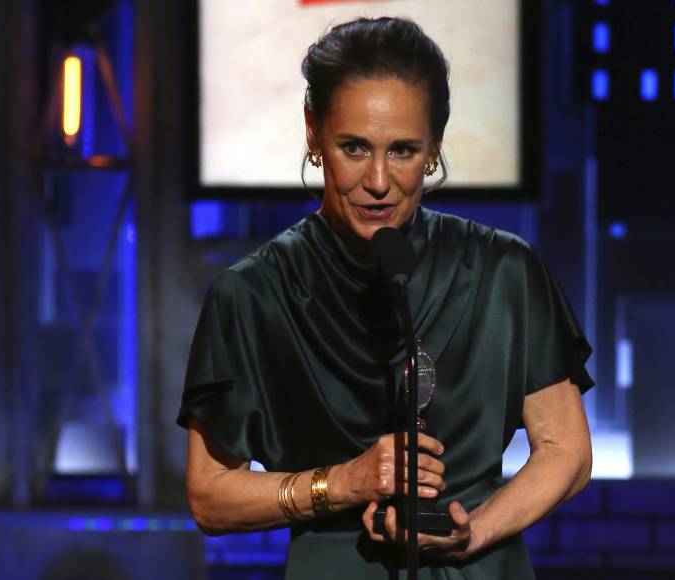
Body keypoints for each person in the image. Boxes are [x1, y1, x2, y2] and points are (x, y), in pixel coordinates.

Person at [178, 16, 594, 579]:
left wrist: (478, 531)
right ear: (313, 133)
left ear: (435, 148)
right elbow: (210, 496)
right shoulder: (253, 293)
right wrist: (342, 482)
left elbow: (566, 453)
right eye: (354, 147)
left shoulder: (505, 271)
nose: (378, 180)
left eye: (402, 150)